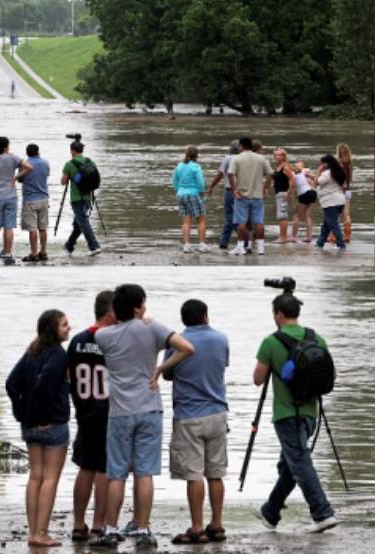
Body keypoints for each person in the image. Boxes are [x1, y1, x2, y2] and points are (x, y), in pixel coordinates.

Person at [90, 284, 194, 548]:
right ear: (139, 306)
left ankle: (110, 529)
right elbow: (186, 348)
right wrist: (160, 368)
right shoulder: (152, 328)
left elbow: (112, 328)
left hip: (120, 412)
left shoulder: (103, 336)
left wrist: (136, 318)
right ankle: (143, 528)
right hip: (149, 408)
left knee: (117, 474)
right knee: (144, 473)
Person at [250, 293, 339, 533]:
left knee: (299, 463)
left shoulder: (271, 342)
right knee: (290, 464)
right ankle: (270, 512)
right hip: (311, 413)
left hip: (286, 414)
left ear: (278, 314)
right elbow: (332, 376)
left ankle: (323, 513)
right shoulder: (316, 338)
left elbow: (258, 379)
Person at [157, 300, 230, 544]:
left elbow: (168, 374)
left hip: (189, 415)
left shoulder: (176, 343)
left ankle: (197, 527)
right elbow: (222, 366)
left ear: (184, 319)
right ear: (206, 316)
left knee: (194, 475)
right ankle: (217, 525)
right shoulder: (221, 339)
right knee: (216, 473)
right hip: (218, 413)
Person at [5, 310, 72, 547]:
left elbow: (11, 383)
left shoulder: (32, 352)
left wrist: (24, 414)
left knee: (35, 477)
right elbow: (45, 384)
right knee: (50, 479)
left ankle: (33, 531)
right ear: (53, 329)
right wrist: (42, 416)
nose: (69, 328)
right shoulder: (59, 355)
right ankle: (41, 533)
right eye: (64, 325)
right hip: (53, 425)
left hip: (30, 426)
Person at [67, 291, 115, 543]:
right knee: (104, 469)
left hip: (84, 410)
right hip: (108, 410)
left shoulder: (77, 340)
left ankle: (78, 524)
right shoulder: (113, 340)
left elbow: (67, 376)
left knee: (85, 467)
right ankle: (98, 524)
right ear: (110, 312)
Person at [0, 136, 33, 262]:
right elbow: (29, 167)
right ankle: (7, 253)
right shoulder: (13, 158)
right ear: (6, 147)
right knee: (9, 227)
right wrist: (16, 177)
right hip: (11, 196)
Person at [227, 137, 272, 255]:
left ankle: (240, 247)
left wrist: (234, 190)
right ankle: (261, 248)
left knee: (241, 222)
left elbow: (230, 174)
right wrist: (265, 188)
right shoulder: (261, 158)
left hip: (242, 195)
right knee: (259, 222)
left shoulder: (237, 158)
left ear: (241, 146)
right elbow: (270, 174)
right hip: (257, 195)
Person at [62, 141, 101, 256]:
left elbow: (63, 182)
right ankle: (69, 245)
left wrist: (69, 175)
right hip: (88, 197)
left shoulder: (69, 164)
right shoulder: (90, 162)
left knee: (83, 222)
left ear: (72, 150)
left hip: (76, 198)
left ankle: (94, 246)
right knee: (79, 223)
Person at [172, 145, 209, 253]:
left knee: (186, 221)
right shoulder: (196, 167)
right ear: (196, 155)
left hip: (181, 195)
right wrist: (202, 192)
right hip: (194, 194)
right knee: (201, 220)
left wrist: (179, 190)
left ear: (186, 154)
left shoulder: (179, 166)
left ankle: (187, 245)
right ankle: (202, 245)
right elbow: (200, 182)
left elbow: (174, 181)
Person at [20, 144, 51, 262]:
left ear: (27, 153)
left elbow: (20, 179)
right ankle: (43, 252)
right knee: (43, 227)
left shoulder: (24, 164)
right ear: (38, 151)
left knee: (32, 228)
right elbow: (46, 175)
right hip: (44, 198)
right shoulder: (45, 163)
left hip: (30, 199)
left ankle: (33, 253)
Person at [207, 140, 239, 249]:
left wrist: (211, 186)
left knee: (229, 216)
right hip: (243, 191)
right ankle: (224, 242)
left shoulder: (228, 158)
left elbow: (220, 174)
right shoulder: (243, 158)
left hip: (230, 190)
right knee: (237, 216)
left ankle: (244, 235)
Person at [315, 154, 347, 250]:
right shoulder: (339, 172)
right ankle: (320, 243)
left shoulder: (327, 173)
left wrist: (318, 171)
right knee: (326, 225)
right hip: (339, 201)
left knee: (333, 224)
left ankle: (341, 244)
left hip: (330, 202)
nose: (320, 165)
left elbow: (317, 182)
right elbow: (344, 186)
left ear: (326, 164)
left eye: (322, 163)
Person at [271, 148, 296, 243]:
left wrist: (288, 192)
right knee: (280, 215)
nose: (276, 156)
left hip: (283, 193)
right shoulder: (277, 166)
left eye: (279, 155)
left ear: (283, 157)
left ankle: (283, 237)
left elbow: (292, 180)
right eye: (275, 155)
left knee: (282, 216)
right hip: (278, 192)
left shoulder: (285, 167)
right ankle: (282, 236)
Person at [290, 161, 317, 243]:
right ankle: (309, 237)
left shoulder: (292, 174)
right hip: (313, 193)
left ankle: (293, 237)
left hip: (305, 194)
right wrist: (313, 184)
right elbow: (314, 177)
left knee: (296, 215)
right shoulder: (304, 171)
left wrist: (293, 203)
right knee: (308, 215)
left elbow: (293, 189)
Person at [336, 143, 353, 243]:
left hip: (339, 191)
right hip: (348, 190)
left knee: (336, 214)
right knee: (346, 214)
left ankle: (333, 236)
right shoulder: (350, 163)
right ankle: (347, 236)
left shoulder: (338, 164)